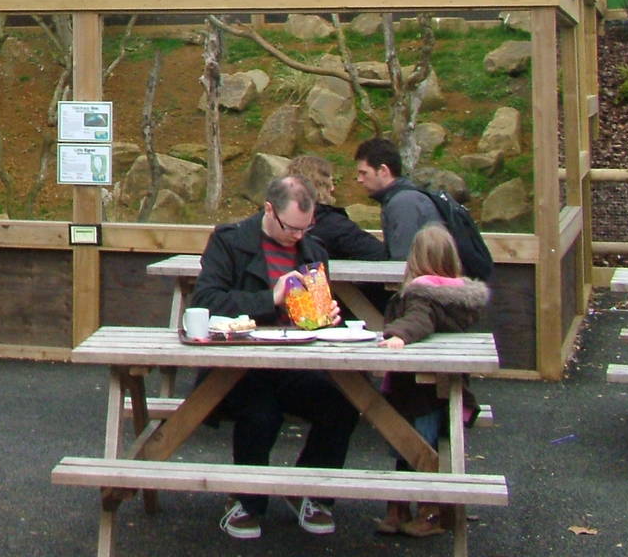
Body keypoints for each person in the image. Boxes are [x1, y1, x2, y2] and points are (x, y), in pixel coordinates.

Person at [191, 175, 359, 540]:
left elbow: (312, 317)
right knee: (260, 413)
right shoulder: (230, 241)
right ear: (269, 209)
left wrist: (327, 317)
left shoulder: (313, 249)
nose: (298, 236)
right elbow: (205, 302)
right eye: (291, 228)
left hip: (295, 361)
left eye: (306, 227)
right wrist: (271, 299)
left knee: (342, 404)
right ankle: (247, 502)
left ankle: (311, 492)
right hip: (241, 364)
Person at [374, 224, 491, 538]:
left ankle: (428, 509)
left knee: (412, 446)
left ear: (415, 260)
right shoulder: (459, 298)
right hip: (445, 389)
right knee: (416, 445)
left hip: (415, 390)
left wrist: (398, 334)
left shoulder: (422, 296)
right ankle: (402, 506)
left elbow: (418, 320)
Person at [286, 153, 386, 260]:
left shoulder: (273, 218)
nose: (333, 189)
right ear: (321, 185)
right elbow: (378, 254)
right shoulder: (335, 225)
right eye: (331, 182)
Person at [353, 137, 440, 260]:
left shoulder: (404, 203)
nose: (359, 180)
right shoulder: (402, 198)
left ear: (383, 170)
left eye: (364, 173)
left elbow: (403, 263)